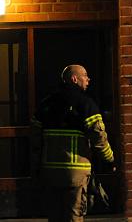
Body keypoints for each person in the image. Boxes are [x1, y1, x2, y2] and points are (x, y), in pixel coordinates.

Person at [31, 65, 115, 222]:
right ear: (74, 79)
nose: (88, 79)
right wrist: (110, 159)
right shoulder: (87, 105)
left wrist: (35, 169)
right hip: (75, 175)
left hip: (50, 173)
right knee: (74, 216)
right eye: (85, 75)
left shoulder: (46, 104)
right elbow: (99, 140)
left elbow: (35, 140)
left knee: (54, 216)